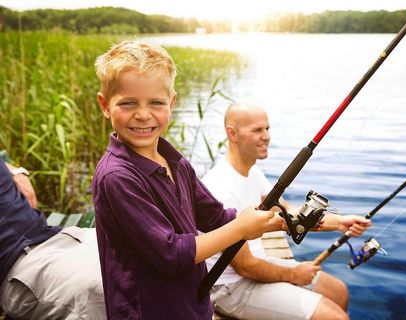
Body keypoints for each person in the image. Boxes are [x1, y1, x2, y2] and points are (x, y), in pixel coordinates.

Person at [92, 40, 279, 320]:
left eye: (156, 102)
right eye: (128, 103)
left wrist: (269, 221)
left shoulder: (175, 161)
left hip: (192, 304)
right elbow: (171, 253)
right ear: (105, 105)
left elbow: (215, 216)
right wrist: (241, 229)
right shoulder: (116, 177)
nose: (143, 114)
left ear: (172, 102)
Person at [202, 102, 372, 320]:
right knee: (336, 318)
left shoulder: (251, 170)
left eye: (267, 128)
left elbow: (290, 216)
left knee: (337, 291)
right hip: (229, 287)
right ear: (232, 133)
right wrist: (293, 274)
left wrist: (340, 223)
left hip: (257, 265)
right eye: (257, 130)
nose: (266, 136)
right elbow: (246, 266)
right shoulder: (221, 187)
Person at [0, 158, 105, 319]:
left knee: (144, 255)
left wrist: (14, 170)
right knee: (109, 289)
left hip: (55, 238)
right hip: (20, 266)